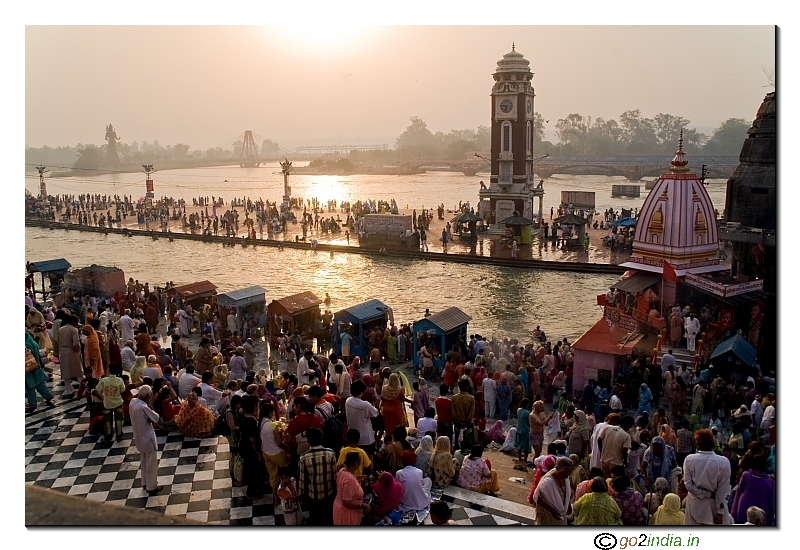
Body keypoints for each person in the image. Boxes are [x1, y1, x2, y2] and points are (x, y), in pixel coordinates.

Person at [683, 428, 733, 525]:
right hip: (715, 505)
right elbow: (723, 489)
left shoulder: (689, 460)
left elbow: (688, 486)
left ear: (697, 445)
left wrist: (704, 494)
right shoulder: (724, 462)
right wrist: (720, 512)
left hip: (695, 505)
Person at [129, 385, 164, 495]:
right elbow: (156, 418)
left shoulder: (133, 402)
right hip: (147, 437)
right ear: (148, 396)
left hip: (138, 437)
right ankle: (151, 486)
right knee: (151, 463)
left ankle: (144, 482)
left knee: (144, 460)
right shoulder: (144, 407)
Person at [298, 427, 337, 526]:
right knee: (328, 517)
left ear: (308, 441)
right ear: (322, 438)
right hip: (329, 493)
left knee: (315, 518)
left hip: (313, 496)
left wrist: (301, 496)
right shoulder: (331, 453)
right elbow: (335, 476)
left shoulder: (303, 458)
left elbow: (302, 480)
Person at [730, 454, 775, 526]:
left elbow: (738, 494)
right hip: (762, 510)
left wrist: (734, 511)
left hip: (744, 506)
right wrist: (771, 517)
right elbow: (771, 502)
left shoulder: (746, 475)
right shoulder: (770, 481)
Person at [531, 457, 574, 525]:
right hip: (547, 512)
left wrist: (568, 505)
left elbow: (566, 494)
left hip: (560, 511)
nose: (569, 474)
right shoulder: (547, 482)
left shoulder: (565, 478)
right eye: (566, 472)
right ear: (558, 469)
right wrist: (552, 510)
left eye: (570, 471)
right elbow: (537, 498)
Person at [333, 451, 371, 525]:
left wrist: (356, 479)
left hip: (340, 507)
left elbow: (344, 484)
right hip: (346, 513)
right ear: (356, 464)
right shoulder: (349, 479)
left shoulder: (342, 470)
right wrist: (362, 505)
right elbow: (346, 502)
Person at [94, 362, 126, 442]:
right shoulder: (119, 380)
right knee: (118, 420)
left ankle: (108, 436)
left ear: (109, 370)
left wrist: (102, 396)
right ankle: (119, 436)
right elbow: (123, 389)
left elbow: (97, 389)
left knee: (107, 421)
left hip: (107, 403)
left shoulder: (104, 380)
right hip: (118, 402)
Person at [397, 449, 433, 515]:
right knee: (428, 480)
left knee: (427, 480)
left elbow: (397, 488)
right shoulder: (419, 471)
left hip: (406, 503)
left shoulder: (399, 473)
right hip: (421, 502)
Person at [25, 332, 54, 409]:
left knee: (29, 385)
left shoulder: (25, 344)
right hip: (36, 365)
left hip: (27, 368)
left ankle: (32, 402)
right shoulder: (33, 343)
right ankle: (48, 396)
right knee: (39, 382)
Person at [58, 315, 83, 398]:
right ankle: (82, 387)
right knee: (78, 371)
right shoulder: (74, 330)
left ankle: (69, 390)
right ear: (74, 322)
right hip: (71, 351)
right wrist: (79, 350)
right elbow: (75, 343)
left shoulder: (60, 329)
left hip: (62, 351)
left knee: (66, 371)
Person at [514, 399, 532, 464]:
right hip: (525, 430)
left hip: (519, 429)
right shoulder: (528, 413)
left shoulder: (518, 410)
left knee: (519, 445)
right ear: (527, 404)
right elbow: (529, 422)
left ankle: (519, 458)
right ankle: (525, 459)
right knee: (526, 445)